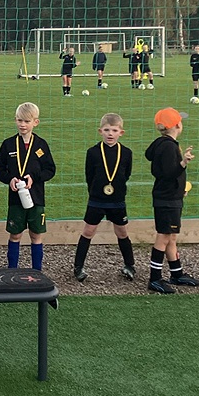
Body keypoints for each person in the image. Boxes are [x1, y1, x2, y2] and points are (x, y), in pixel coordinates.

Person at [144, 108, 199, 294]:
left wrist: (180, 190)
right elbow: (170, 173)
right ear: (177, 125)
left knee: (171, 236)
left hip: (170, 197)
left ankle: (177, 273)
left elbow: (161, 170)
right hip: (167, 200)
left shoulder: (162, 144)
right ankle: (155, 278)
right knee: (164, 236)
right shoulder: (169, 147)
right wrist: (183, 162)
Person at [72, 113, 136, 282]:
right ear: (100, 131)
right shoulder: (93, 152)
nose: (110, 134)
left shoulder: (126, 153)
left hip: (117, 200)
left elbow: (126, 174)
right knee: (88, 231)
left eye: (114, 130)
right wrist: (95, 191)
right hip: (97, 199)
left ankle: (129, 265)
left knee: (122, 231)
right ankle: (78, 267)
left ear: (121, 132)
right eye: (107, 130)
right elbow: (89, 175)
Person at [0, 102, 56, 270]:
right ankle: (12, 270)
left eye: (27, 121)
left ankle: (37, 271)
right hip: (16, 199)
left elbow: (50, 170)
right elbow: (0, 170)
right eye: (20, 120)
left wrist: (34, 178)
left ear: (35, 122)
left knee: (36, 235)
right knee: (15, 235)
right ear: (15, 120)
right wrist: (10, 179)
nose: (22, 124)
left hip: (36, 198)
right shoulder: (8, 144)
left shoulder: (41, 145)